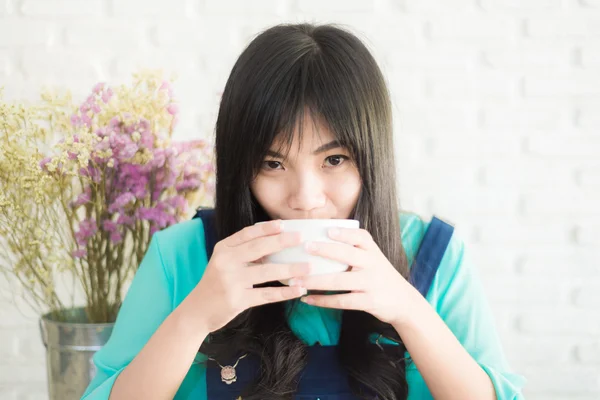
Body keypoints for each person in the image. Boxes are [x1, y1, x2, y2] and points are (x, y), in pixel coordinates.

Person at [81, 23, 526, 400]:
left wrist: (409, 309)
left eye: (334, 160)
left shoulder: (434, 256)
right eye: (273, 163)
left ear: (372, 158)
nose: (306, 197)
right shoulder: (180, 257)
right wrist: (195, 317)